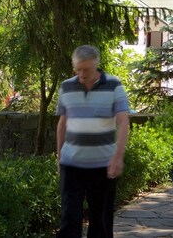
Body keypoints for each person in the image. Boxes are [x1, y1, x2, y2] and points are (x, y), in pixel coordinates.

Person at [56, 45, 130, 238]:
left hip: (103, 165)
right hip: (71, 165)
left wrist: (118, 156)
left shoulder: (114, 85)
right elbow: (62, 124)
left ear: (96, 65)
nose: (81, 74)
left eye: (86, 69)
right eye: (78, 69)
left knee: (101, 222)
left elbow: (123, 122)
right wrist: (59, 156)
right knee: (69, 218)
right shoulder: (66, 86)